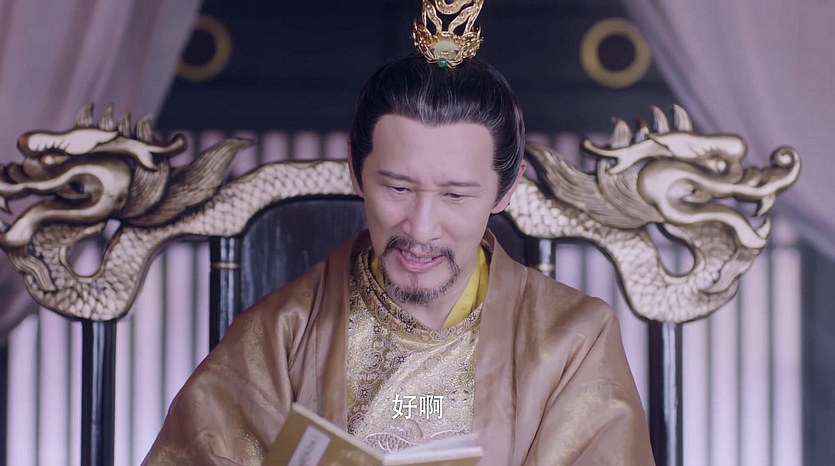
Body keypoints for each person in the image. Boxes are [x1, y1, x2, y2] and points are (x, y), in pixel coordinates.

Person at [144, 3, 654, 465]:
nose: (421, 228)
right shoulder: (282, 334)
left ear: (505, 190)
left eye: (455, 195)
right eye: (397, 188)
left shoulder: (572, 341)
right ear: (355, 170)